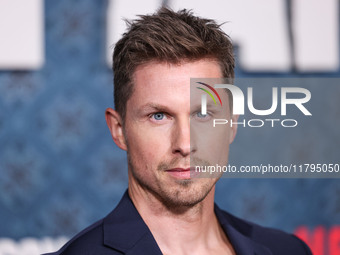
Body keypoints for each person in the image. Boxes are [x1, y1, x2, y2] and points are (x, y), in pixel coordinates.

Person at [45, 8, 312, 255]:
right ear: (119, 130)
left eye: (203, 114)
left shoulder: (287, 250)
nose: (185, 143)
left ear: (232, 124)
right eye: (159, 116)